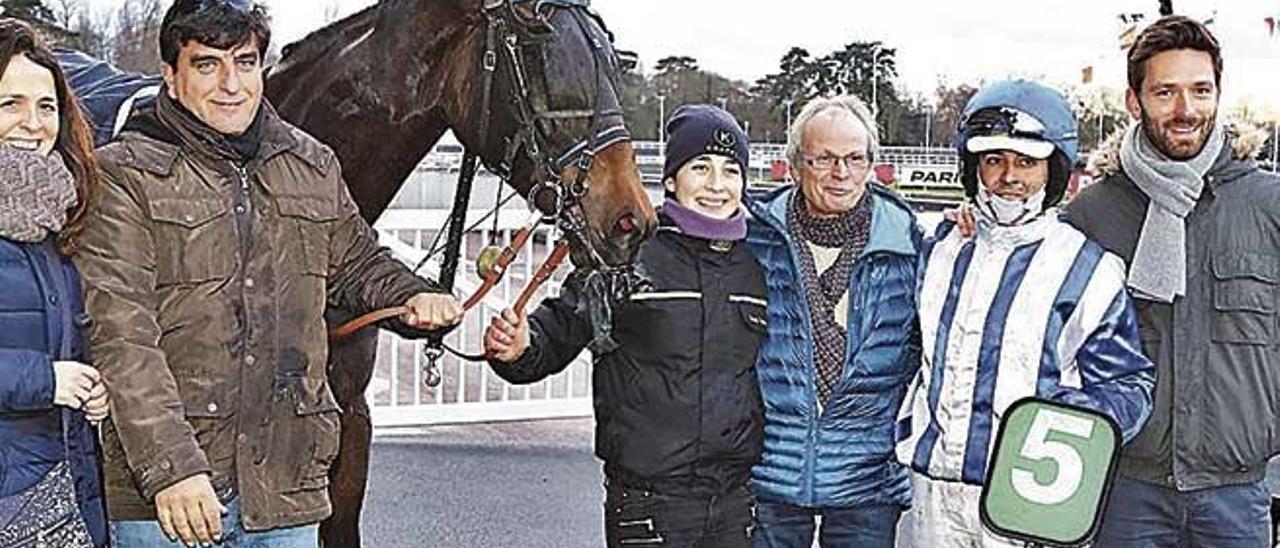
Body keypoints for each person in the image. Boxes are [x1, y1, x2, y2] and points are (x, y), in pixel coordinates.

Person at [73, 1, 463, 546]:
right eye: (207, 65)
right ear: (171, 74)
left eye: (246, 62)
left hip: (285, 495)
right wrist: (172, 469)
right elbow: (122, 336)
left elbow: (355, 261)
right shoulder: (123, 175)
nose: (231, 84)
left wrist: (412, 295)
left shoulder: (311, 164)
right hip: (167, 502)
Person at [484, 104, 766, 547]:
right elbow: (554, 335)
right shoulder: (627, 253)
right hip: (647, 504)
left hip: (736, 503)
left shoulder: (755, 265)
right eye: (701, 167)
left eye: (731, 171)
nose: (717, 184)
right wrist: (519, 348)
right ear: (671, 178)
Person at [895, 79, 1156, 547]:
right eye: (994, 160)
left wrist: (1059, 427)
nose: (1008, 177)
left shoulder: (1089, 269)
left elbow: (1129, 387)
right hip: (932, 491)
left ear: (1052, 171)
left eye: (1026, 162)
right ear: (973, 166)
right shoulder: (937, 246)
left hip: (1026, 502)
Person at [1062, 15, 1280, 547]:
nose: (1185, 110)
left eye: (1200, 90)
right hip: (1125, 491)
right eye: (1165, 92)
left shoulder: (1268, 205)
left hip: (1237, 492)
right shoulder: (1091, 215)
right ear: (1134, 102)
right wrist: (967, 227)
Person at [744, 95, 920, 547]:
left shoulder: (913, 245)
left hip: (869, 477)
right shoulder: (754, 236)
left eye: (854, 158)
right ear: (796, 164)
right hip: (771, 468)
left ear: (870, 164)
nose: (841, 173)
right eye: (824, 158)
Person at [0, 18, 109, 548]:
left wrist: (97, 385)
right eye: (9, 104)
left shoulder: (63, 217)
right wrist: (47, 379)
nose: (32, 122)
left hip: (63, 490)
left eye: (46, 106)